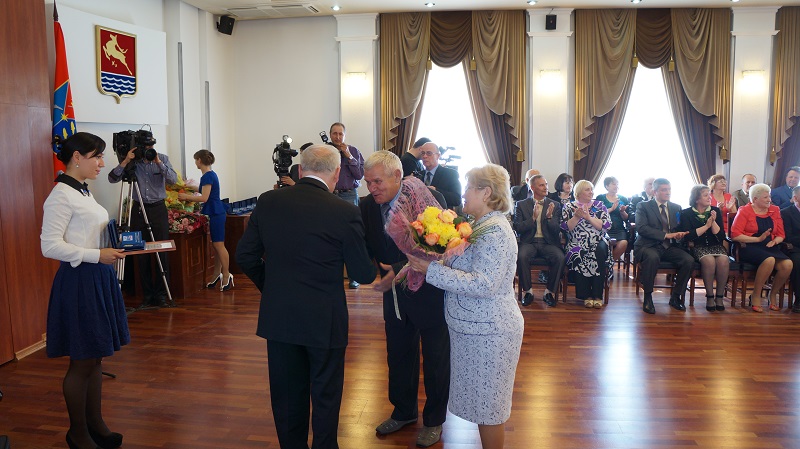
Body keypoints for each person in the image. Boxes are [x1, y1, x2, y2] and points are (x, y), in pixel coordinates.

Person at [235, 144, 376, 449]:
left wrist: (271, 287)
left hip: (280, 317)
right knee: (326, 395)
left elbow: (245, 255)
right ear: (337, 174)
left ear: (299, 170)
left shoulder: (268, 201)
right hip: (325, 319)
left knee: (287, 398)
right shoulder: (344, 211)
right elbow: (363, 274)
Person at [407, 164, 523, 449]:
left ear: (486, 192)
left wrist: (431, 270)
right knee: (482, 406)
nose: (464, 193)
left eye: (469, 187)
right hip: (475, 329)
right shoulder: (481, 225)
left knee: (490, 409)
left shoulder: (495, 232)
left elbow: (484, 283)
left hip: (490, 331)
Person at [41, 132, 128, 449]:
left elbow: (86, 233)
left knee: (95, 357)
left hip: (97, 277)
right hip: (79, 280)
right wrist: (96, 255)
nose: (102, 163)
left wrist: (113, 246)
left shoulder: (82, 191)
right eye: (97, 156)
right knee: (82, 361)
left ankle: (96, 424)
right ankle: (77, 433)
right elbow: (49, 246)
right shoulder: (61, 195)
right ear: (77, 157)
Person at [360, 151, 450, 448]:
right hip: (394, 293)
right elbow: (369, 246)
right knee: (398, 353)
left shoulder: (428, 201)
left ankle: (434, 420)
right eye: (367, 182)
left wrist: (397, 269)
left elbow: (439, 250)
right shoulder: (367, 206)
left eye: (377, 181)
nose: (372, 188)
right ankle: (403, 412)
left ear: (397, 175)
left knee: (435, 358)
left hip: (430, 291)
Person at [108, 139, 177, 308]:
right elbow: (112, 178)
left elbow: (173, 180)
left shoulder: (162, 158)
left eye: (151, 146)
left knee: (161, 250)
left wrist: (158, 163)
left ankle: (161, 294)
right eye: (146, 148)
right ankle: (147, 295)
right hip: (138, 209)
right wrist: (125, 161)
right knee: (141, 252)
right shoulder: (133, 163)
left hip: (158, 208)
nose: (149, 150)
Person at [633, 178, 694, 314]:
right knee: (652, 257)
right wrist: (665, 235)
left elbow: (678, 227)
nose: (668, 192)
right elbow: (641, 228)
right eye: (664, 190)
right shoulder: (643, 206)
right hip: (648, 245)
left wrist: (679, 234)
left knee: (688, 260)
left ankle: (676, 296)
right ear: (655, 192)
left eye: (669, 189)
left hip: (669, 247)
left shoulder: (676, 207)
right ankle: (648, 297)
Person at [731, 183, 793, 312]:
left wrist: (775, 241)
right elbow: (735, 235)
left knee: (787, 264)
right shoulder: (744, 210)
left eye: (769, 196)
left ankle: (772, 294)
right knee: (769, 260)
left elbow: (781, 234)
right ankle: (756, 295)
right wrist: (758, 239)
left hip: (769, 245)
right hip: (748, 246)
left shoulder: (775, 210)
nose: (769, 200)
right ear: (755, 199)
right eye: (765, 197)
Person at [177, 150, 232, 291]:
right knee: (216, 245)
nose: (195, 162)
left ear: (199, 160)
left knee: (219, 245)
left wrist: (186, 197)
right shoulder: (210, 175)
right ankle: (217, 274)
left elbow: (204, 198)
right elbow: (204, 190)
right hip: (216, 212)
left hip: (216, 213)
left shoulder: (207, 176)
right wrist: (189, 187)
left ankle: (226, 275)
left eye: (195, 160)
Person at [512, 174, 564, 307]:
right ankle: (528, 292)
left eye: (546, 184)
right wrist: (533, 219)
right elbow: (518, 228)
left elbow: (556, 230)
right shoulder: (521, 205)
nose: (546, 187)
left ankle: (549, 292)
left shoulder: (555, 205)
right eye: (541, 185)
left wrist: (549, 217)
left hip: (548, 243)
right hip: (529, 242)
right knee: (522, 256)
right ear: (532, 187)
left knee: (559, 257)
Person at [561, 180, 613, 308]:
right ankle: (585, 295)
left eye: (591, 189)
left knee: (599, 251)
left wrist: (588, 217)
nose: (591, 192)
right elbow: (566, 228)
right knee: (579, 251)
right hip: (576, 241)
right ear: (578, 193)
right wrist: (577, 217)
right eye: (587, 190)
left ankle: (597, 295)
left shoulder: (599, 205)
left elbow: (606, 225)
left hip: (598, 240)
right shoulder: (569, 207)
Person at [678, 185, 729, 312]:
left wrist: (713, 222)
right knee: (709, 260)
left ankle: (719, 296)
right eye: (705, 195)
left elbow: (721, 236)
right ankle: (710, 296)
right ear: (696, 199)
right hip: (697, 246)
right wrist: (706, 226)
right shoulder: (686, 213)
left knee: (723, 260)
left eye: (709, 195)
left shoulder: (715, 210)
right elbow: (688, 236)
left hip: (715, 246)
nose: (709, 198)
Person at [329, 122, 365, 288]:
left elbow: (359, 174)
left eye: (340, 134)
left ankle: (353, 277)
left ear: (345, 135)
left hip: (349, 195)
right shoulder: (326, 152)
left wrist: (348, 155)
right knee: (331, 235)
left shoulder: (354, 151)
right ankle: (333, 277)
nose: (337, 137)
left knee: (351, 234)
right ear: (330, 135)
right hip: (330, 196)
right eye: (334, 134)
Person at [595, 176, 630, 264]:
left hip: (619, 229)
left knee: (624, 243)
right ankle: (604, 264)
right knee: (602, 245)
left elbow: (626, 218)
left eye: (617, 184)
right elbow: (597, 214)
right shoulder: (600, 198)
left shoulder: (623, 199)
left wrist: (622, 211)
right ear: (607, 186)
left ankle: (609, 264)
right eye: (614, 184)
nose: (616, 186)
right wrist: (611, 209)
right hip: (604, 228)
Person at [419, 141, 462, 209]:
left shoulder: (450, 174)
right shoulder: (418, 175)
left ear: (438, 156)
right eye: (422, 153)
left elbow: (457, 199)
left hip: (441, 214)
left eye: (429, 153)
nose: (425, 156)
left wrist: (436, 191)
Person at [779, 186, 800, 313]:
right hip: (794, 248)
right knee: (798, 262)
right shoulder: (786, 213)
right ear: (796, 198)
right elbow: (788, 236)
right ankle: (799, 299)